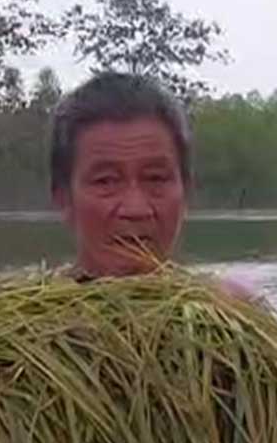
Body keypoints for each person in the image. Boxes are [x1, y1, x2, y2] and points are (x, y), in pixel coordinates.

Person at [48, 71, 257, 299]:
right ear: (63, 199)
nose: (135, 209)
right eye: (106, 181)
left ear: (186, 191)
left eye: (155, 178)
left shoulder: (233, 316)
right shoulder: (24, 325)